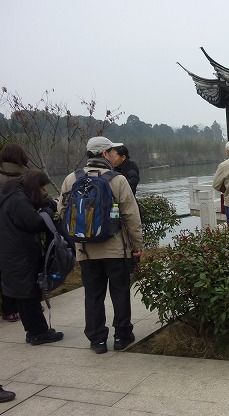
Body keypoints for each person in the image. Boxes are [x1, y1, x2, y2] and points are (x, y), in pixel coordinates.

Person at [58, 136, 143, 354]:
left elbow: (62, 212)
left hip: (86, 251)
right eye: (112, 152)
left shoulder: (71, 178)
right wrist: (137, 246)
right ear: (105, 154)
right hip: (116, 249)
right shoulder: (117, 180)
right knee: (120, 292)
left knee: (93, 295)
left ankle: (97, 340)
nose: (114, 155)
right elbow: (131, 216)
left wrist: (77, 240)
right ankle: (122, 336)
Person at [0, 168, 65, 345]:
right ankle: (38, 332)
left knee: (23, 294)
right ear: (34, 185)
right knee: (28, 293)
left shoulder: (10, 193)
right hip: (20, 254)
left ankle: (33, 331)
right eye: (42, 188)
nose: (43, 191)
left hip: (11, 253)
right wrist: (48, 211)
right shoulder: (18, 199)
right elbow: (34, 222)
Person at [0, 143, 30, 322]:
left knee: (4, 271)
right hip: (18, 230)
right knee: (21, 269)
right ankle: (25, 306)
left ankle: (8, 309)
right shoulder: (26, 177)